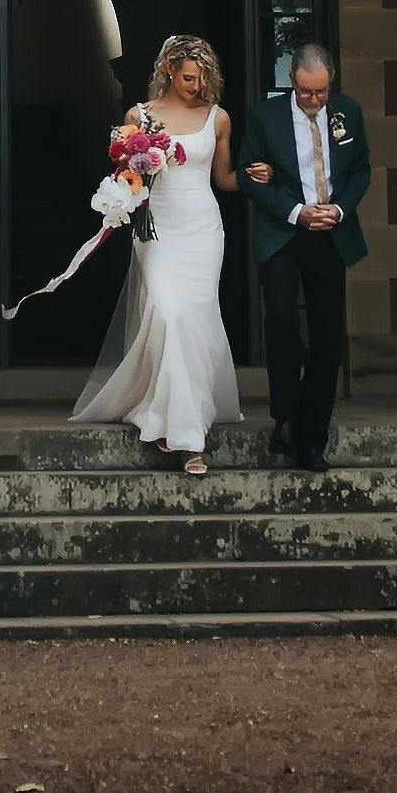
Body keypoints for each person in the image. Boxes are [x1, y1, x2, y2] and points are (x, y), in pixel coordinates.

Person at [67, 34, 238, 472]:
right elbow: (126, 177)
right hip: (157, 228)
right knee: (167, 311)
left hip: (203, 228)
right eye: (187, 78)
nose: (195, 87)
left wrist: (264, 174)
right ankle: (177, 424)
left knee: (193, 320)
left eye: (201, 80)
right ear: (168, 71)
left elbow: (224, 179)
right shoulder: (139, 117)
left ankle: (184, 431)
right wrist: (120, 195)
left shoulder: (218, 119)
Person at [235, 39, 372, 470]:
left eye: (321, 92)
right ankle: (286, 416)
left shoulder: (348, 112)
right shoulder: (264, 115)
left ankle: (314, 435)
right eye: (306, 92)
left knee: (327, 332)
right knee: (281, 319)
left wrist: (339, 208)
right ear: (292, 82)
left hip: (330, 234)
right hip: (284, 233)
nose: (314, 100)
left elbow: (361, 169)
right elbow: (249, 175)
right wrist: (296, 212)